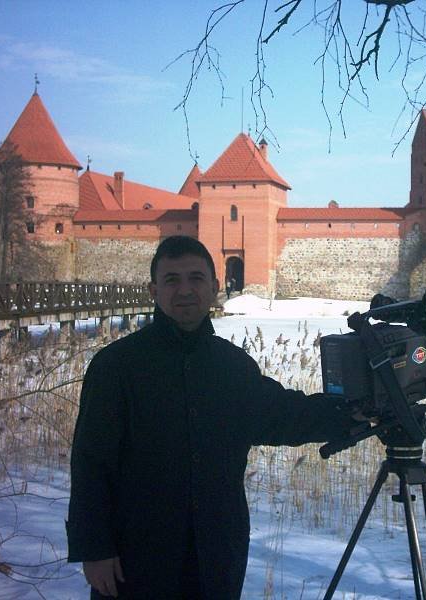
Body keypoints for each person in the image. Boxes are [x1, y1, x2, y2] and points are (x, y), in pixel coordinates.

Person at [66, 236, 355, 599]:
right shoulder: (116, 367)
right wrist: (94, 549)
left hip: (216, 555)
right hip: (136, 557)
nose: (185, 290)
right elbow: (92, 463)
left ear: (215, 287)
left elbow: (284, 415)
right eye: (172, 280)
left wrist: (354, 413)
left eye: (196, 278)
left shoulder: (231, 366)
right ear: (154, 290)